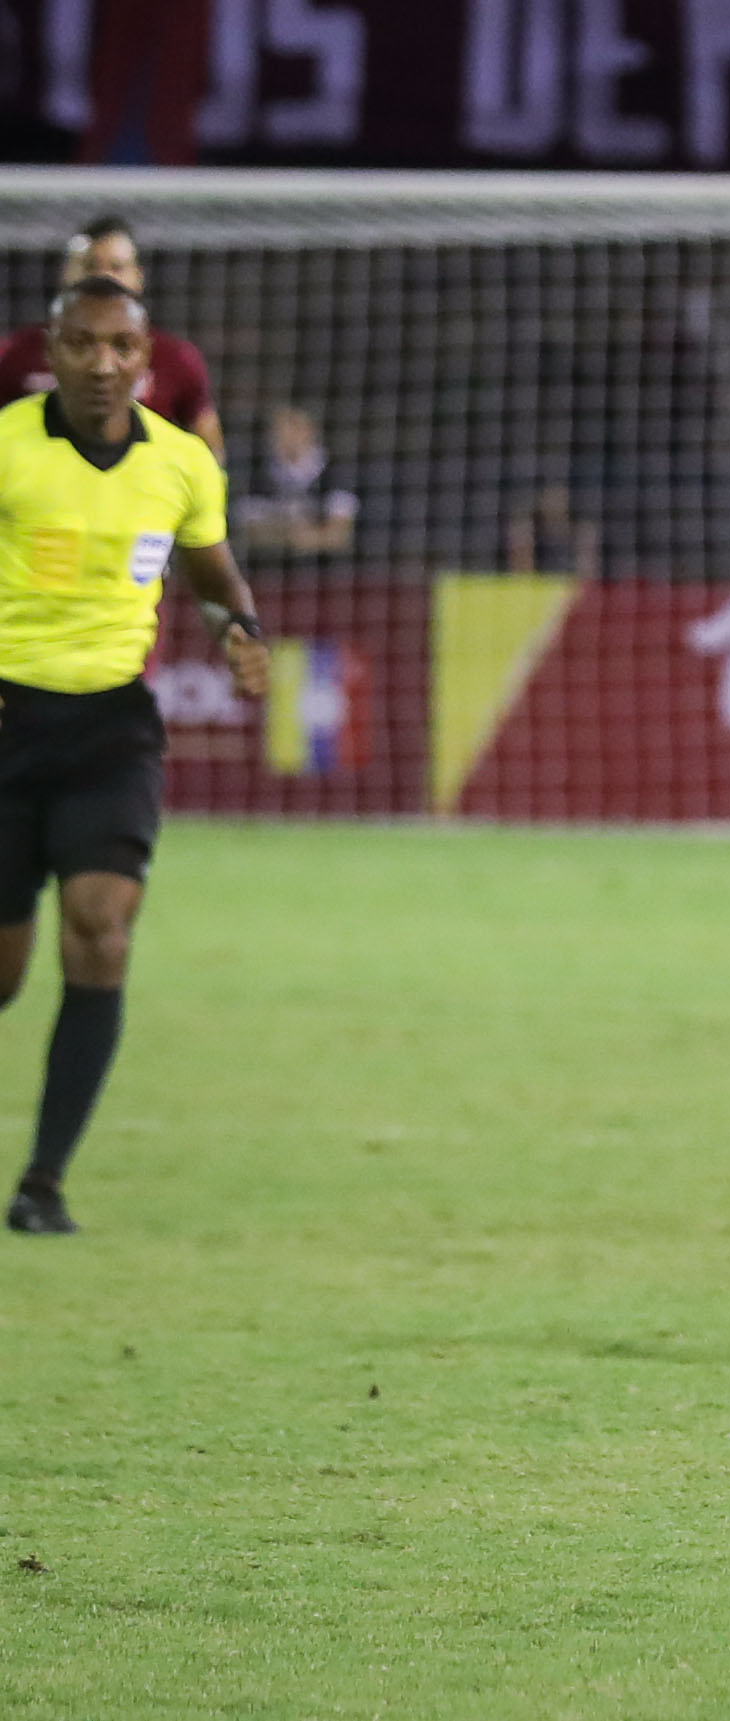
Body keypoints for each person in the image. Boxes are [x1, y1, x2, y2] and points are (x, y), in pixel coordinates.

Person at [0, 277, 269, 1235]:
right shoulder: (7, 446)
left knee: (101, 928)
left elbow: (211, 564)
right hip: (5, 718)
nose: (104, 365)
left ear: (146, 356)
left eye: (122, 347)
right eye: (83, 344)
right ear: (54, 351)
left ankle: (43, 1183)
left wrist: (239, 625)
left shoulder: (184, 463)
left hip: (112, 728)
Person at [0, 215, 224, 460]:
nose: (102, 276)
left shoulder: (176, 357)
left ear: (138, 276)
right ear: (66, 273)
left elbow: (210, 449)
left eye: (116, 267)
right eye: (90, 265)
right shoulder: (15, 353)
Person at [232, 405, 358, 556]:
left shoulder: (335, 472)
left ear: (312, 430)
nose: (286, 434)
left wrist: (283, 533)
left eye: (295, 426)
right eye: (280, 427)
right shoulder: (256, 474)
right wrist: (298, 536)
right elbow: (248, 532)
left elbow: (340, 536)